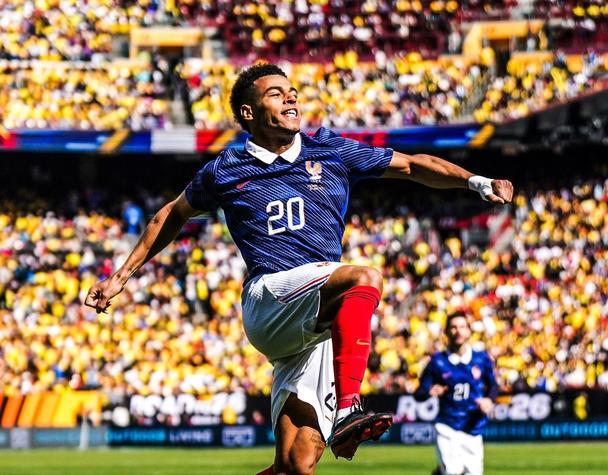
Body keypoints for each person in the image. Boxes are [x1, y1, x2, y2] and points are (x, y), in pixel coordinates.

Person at [85, 63, 513, 474]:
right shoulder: (225, 170)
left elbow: (412, 165)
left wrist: (476, 181)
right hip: (270, 299)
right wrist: (120, 277)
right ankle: (349, 408)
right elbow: (171, 214)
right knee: (363, 278)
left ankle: (337, 416)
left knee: (296, 463)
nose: (290, 98)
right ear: (249, 113)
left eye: (292, 92)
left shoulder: (330, 149)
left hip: (316, 323)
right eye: (276, 94)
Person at [415, 312, 498, 475]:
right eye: (453, 327)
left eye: (462, 327)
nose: (458, 331)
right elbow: (419, 394)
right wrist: (430, 391)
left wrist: (489, 400)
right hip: (447, 425)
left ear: (469, 331)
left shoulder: (481, 359)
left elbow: (493, 385)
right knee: (453, 471)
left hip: (473, 427)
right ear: (446, 331)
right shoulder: (437, 361)